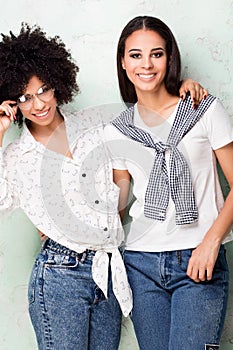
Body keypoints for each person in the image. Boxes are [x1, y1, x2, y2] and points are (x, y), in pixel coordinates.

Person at [0, 22, 208, 350]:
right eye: (24, 98)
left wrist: (181, 85)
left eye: (43, 90)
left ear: (57, 84)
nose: (38, 104)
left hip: (109, 268)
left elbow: (142, 124)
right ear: (12, 104)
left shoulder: (94, 124)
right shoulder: (17, 155)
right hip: (59, 274)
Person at [104, 15, 233, 350]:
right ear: (122, 61)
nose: (146, 64)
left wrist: (211, 242)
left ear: (170, 58)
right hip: (140, 263)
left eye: (156, 54)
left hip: (198, 260)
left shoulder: (202, 109)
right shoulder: (116, 130)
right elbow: (119, 204)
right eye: (135, 55)